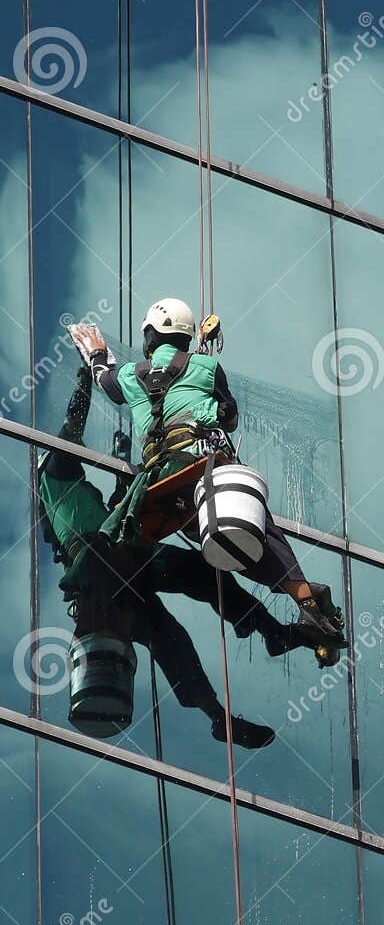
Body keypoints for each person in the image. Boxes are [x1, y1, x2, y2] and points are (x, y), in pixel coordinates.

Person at [37, 368, 290, 749]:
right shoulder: (55, 479)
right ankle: (224, 699)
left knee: (188, 604)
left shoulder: (72, 502)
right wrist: (85, 378)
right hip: (103, 567)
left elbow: (115, 514)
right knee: (180, 615)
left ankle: (256, 647)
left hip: (115, 567)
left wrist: (127, 477)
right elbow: (73, 428)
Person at [77, 298, 345, 651]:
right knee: (256, 529)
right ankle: (307, 602)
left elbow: (104, 380)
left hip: (161, 482)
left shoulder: (130, 375)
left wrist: (97, 353)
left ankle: (305, 605)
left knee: (222, 539)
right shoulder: (206, 366)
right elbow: (229, 417)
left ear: (150, 336)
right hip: (201, 466)